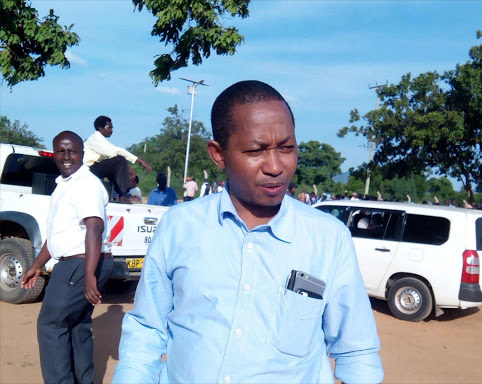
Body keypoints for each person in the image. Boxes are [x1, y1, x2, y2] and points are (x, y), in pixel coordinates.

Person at [112, 80, 383, 384]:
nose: (275, 166)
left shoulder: (328, 238)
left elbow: (357, 354)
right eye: (256, 150)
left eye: (287, 148)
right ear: (218, 154)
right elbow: (147, 331)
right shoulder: (180, 226)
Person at [21, 131, 113, 384]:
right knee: (76, 326)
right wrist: (37, 265)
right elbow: (59, 235)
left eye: (72, 151)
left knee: (51, 326)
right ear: (54, 154)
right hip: (79, 262)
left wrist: (89, 276)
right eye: (60, 151)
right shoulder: (65, 184)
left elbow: (94, 228)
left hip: (79, 264)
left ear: (82, 153)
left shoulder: (85, 184)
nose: (66, 156)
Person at [84, 116, 152, 200]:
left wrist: (129, 169)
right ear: (100, 128)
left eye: (112, 128)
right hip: (89, 170)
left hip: (95, 168)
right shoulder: (95, 139)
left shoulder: (101, 141)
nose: (111, 130)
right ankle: (124, 193)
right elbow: (116, 151)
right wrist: (140, 160)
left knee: (116, 162)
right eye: (109, 128)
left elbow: (111, 157)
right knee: (119, 160)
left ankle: (120, 194)